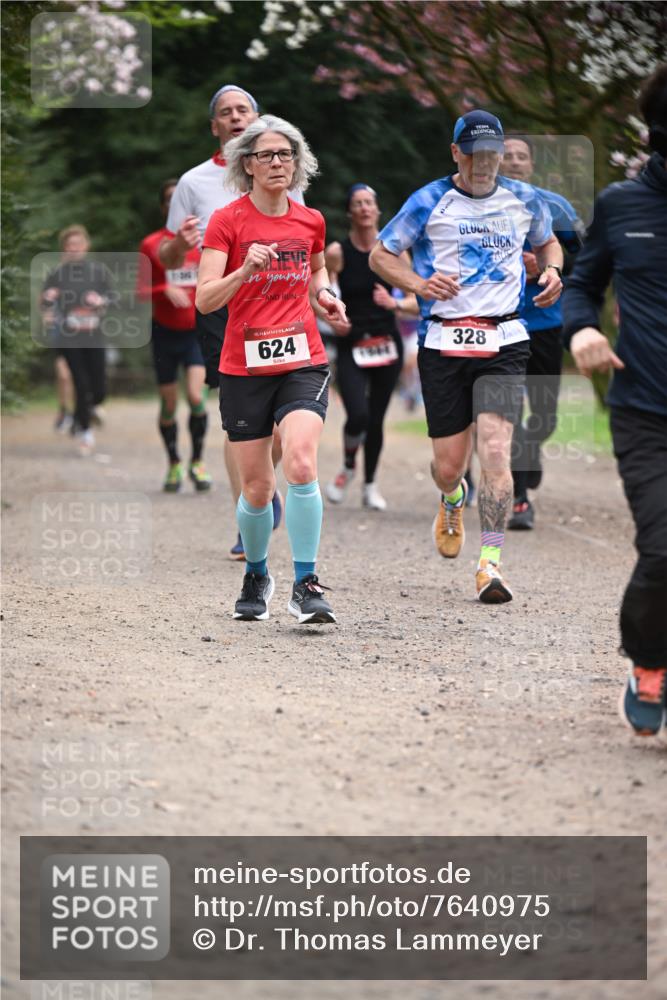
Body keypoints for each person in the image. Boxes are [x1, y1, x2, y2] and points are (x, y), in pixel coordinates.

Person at [370, 110, 563, 603]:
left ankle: (490, 566)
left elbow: (548, 243)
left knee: (497, 449)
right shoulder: (429, 200)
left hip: (504, 340)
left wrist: (553, 271)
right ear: (456, 152)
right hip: (443, 341)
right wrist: (416, 283)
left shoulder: (524, 198)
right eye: (475, 154)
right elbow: (380, 255)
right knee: (449, 466)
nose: (485, 163)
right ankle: (452, 498)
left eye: (493, 154)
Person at [196, 115, 348, 624]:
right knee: (258, 489)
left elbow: (316, 268)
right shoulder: (227, 221)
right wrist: (244, 271)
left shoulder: (310, 220)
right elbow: (204, 299)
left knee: (302, 462)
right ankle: (257, 573)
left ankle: (306, 583)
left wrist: (326, 296)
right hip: (244, 366)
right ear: (248, 164)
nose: (279, 163)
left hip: (302, 358)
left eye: (287, 154)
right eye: (267, 155)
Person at [562, 64, 667, 738]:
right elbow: (580, 282)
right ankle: (649, 663)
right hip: (644, 410)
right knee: (663, 550)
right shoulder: (620, 205)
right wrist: (582, 328)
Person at [159, 85, 287, 558]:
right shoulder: (193, 183)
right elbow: (170, 254)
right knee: (241, 421)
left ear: (257, 117)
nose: (235, 117)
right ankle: (246, 519)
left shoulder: (281, 169)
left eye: (243, 110)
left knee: (274, 428)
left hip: (275, 304)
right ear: (215, 126)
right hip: (222, 308)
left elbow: (302, 236)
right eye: (226, 113)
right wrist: (181, 243)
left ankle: (262, 485)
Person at [501, 136, 584, 530]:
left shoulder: (554, 206)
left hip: (546, 324)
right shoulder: (482, 207)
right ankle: (520, 499)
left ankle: (530, 451)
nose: (514, 162)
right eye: (507, 156)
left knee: (545, 415)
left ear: (531, 164)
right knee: (511, 412)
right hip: (501, 324)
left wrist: (549, 268)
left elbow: (584, 257)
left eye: (521, 156)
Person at [324, 184, 415, 511]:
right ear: (350, 212)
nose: (364, 208)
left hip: (387, 342)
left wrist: (395, 302)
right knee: (357, 415)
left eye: (369, 203)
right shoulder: (337, 252)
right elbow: (322, 290)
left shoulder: (394, 250)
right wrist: (334, 318)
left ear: (377, 210)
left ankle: (370, 485)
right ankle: (349, 466)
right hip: (351, 343)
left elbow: (416, 296)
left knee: (376, 419)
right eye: (357, 204)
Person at [138, 179, 212, 492]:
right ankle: (173, 464)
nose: (175, 204)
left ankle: (197, 462)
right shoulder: (151, 244)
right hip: (164, 334)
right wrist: (162, 288)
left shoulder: (203, 243)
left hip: (196, 333)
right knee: (168, 406)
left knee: (196, 397)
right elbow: (138, 291)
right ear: (163, 207)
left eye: (179, 199)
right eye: (169, 199)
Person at [41, 225, 110, 456]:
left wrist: (101, 301)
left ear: (86, 246)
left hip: (94, 334)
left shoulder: (98, 272)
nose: (74, 249)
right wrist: (48, 310)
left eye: (78, 244)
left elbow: (113, 298)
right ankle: (85, 432)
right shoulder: (57, 274)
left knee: (99, 389)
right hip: (69, 337)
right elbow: (45, 302)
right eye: (70, 246)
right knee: (80, 383)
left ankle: (86, 412)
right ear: (64, 249)